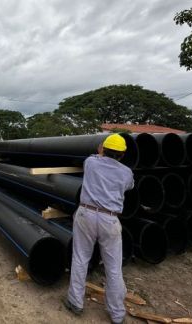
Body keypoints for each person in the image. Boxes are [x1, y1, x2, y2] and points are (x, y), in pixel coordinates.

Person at [63, 134, 134, 324]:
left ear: (102, 149)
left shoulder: (91, 163)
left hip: (86, 214)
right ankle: (117, 314)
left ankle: (75, 302)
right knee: (113, 268)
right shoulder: (127, 172)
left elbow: (97, 155)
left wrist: (101, 150)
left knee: (80, 259)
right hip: (109, 219)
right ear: (123, 153)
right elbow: (129, 186)